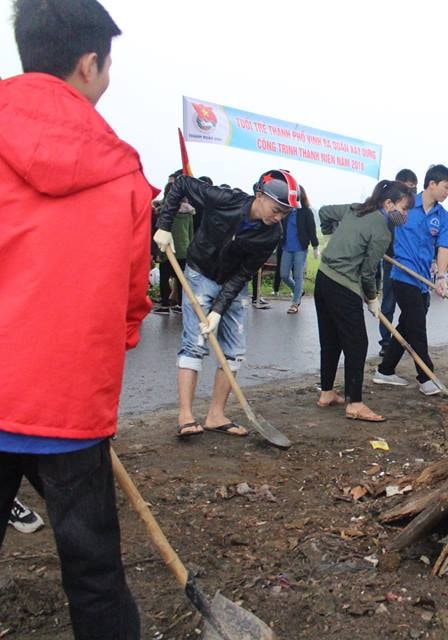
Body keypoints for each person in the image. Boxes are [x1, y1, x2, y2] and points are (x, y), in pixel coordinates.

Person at [1, 1, 153, 636]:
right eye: (109, 64)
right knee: (94, 575)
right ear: (89, 63)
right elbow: (131, 297)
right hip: (68, 407)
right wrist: (111, 340)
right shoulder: (123, 172)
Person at [154, 169, 300, 438]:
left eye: (285, 213)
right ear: (259, 195)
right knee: (194, 343)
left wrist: (219, 310)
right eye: (276, 209)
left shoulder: (271, 234)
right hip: (200, 274)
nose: (278, 217)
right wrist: (164, 226)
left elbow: (244, 273)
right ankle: (186, 415)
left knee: (234, 350)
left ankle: (215, 415)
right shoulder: (225, 199)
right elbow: (183, 184)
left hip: (232, 282)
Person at [314, 180, 413, 422]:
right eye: (404, 208)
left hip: (322, 279)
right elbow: (368, 272)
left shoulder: (355, 208)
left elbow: (324, 212)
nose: (405, 214)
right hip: (343, 286)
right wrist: (372, 299)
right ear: (388, 203)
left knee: (331, 340)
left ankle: (326, 392)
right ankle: (355, 403)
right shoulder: (382, 230)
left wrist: (330, 233)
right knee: (357, 344)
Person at [374, 165, 448, 395]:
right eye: (446, 187)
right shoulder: (406, 205)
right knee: (417, 327)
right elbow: (383, 223)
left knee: (408, 326)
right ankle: (426, 377)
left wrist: (440, 276)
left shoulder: (443, 216)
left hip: (422, 279)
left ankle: (385, 370)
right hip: (402, 275)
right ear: (432, 184)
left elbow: (443, 248)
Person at [377, 169, 418, 356]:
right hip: (391, 261)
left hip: (410, 263)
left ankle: (403, 341)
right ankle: (386, 342)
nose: (411, 194)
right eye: (408, 188)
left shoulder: (413, 208)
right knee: (388, 304)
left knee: (413, 307)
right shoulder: (390, 210)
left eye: (413, 189)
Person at [277, 185, 320, 314]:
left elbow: (312, 230)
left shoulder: (306, 212)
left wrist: (315, 247)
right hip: (286, 247)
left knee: (298, 275)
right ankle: (298, 290)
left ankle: (295, 303)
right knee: (284, 274)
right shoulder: (286, 210)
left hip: (300, 248)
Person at [155, 180, 195, 313]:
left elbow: (161, 230)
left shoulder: (165, 211)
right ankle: (181, 305)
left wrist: (159, 253)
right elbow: (190, 232)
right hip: (184, 249)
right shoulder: (189, 211)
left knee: (164, 277)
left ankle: (165, 304)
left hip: (167, 248)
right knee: (182, 279)